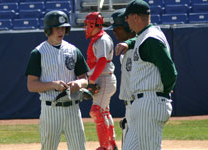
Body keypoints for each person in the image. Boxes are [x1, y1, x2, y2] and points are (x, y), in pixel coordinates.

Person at [115, 0, 178, 149]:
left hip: (150, 101)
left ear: (135, 17)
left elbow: (170, 71)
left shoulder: (151, 39)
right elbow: (139, 39)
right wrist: (129, 43)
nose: (126, 20)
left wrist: (165, 88)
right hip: (142, 103)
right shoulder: (145, 36)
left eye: (127, 17)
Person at [25, 10, 90, 150]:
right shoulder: (38, 53)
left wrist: (78, 84)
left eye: (63, 27)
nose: (61, 31)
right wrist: (52, 85)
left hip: (72, 108)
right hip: (51, 109)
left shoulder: (73, 50)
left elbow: (84, 79)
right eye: (57, 28)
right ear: (48, 30)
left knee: (79, 147)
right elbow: (31, 85)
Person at [84, 12, 118, 150]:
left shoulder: (102, 39)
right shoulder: (99, 39)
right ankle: (111, 144)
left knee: (96, 111)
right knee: (104, 112)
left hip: (103, 78)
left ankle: (104, 147)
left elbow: (102, 60)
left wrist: (91, 80)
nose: (85, 28)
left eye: (87, 25)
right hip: (104, 77)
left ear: (93, 24)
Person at [110, 8, 136, 148]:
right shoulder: (123, 54)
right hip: (130, 107)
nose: (114, 32)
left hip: (140, 106)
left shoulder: (142, 47)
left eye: (117, 28)